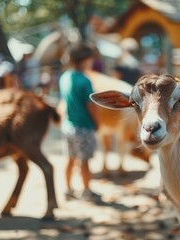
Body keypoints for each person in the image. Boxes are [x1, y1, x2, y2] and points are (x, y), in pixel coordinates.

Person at [59, 43, 100, 201]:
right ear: (84, 60)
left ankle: (68, 189)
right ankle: (86, 191)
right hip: (83, 127)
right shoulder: (84, 80)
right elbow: (91, 105)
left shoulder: (65, 77)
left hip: (68, 125)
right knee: (84, 161)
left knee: (69, 159)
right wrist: (97, 123)